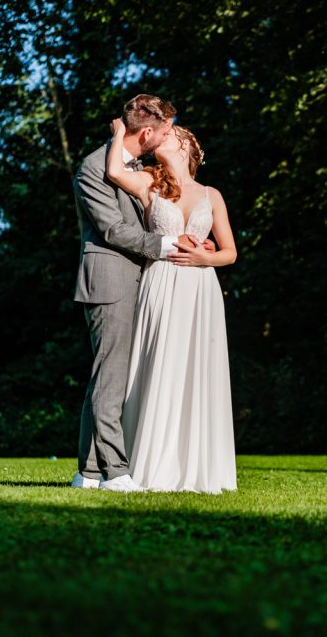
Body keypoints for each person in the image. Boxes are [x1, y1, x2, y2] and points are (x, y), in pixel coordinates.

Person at [71, 94, 205, 492]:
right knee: (110, 378)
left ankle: (88, 471)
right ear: (148, 132)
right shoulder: (94, 167)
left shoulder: (139, 168)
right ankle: (115, 472)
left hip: (140, 283)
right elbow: (113, 230)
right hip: (109, 282)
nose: (169, 136)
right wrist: (169, 247)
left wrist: (196, 242)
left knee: (106, 379)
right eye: (165, 131)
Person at [105, 117, 238, 494]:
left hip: (200, 289)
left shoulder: (211, 195)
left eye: (172, 133)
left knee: (195, 368)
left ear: (188, 147)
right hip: (160, 283)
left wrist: (203, 260)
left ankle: (194, 466)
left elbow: (229, 252)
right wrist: (119, 133)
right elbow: (114, 170)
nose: (164, 136)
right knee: (157, 364)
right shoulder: (149, 183)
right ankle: (146, 462)